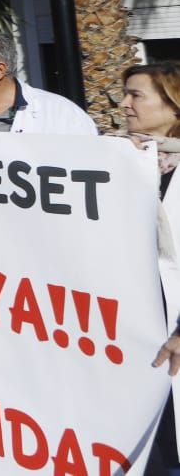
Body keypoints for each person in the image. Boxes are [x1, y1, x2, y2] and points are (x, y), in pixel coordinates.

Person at [117, 63, 180, 473]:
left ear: (174, 106)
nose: (124, 105)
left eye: (136, 95)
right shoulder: (122, 162)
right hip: (136, 331)